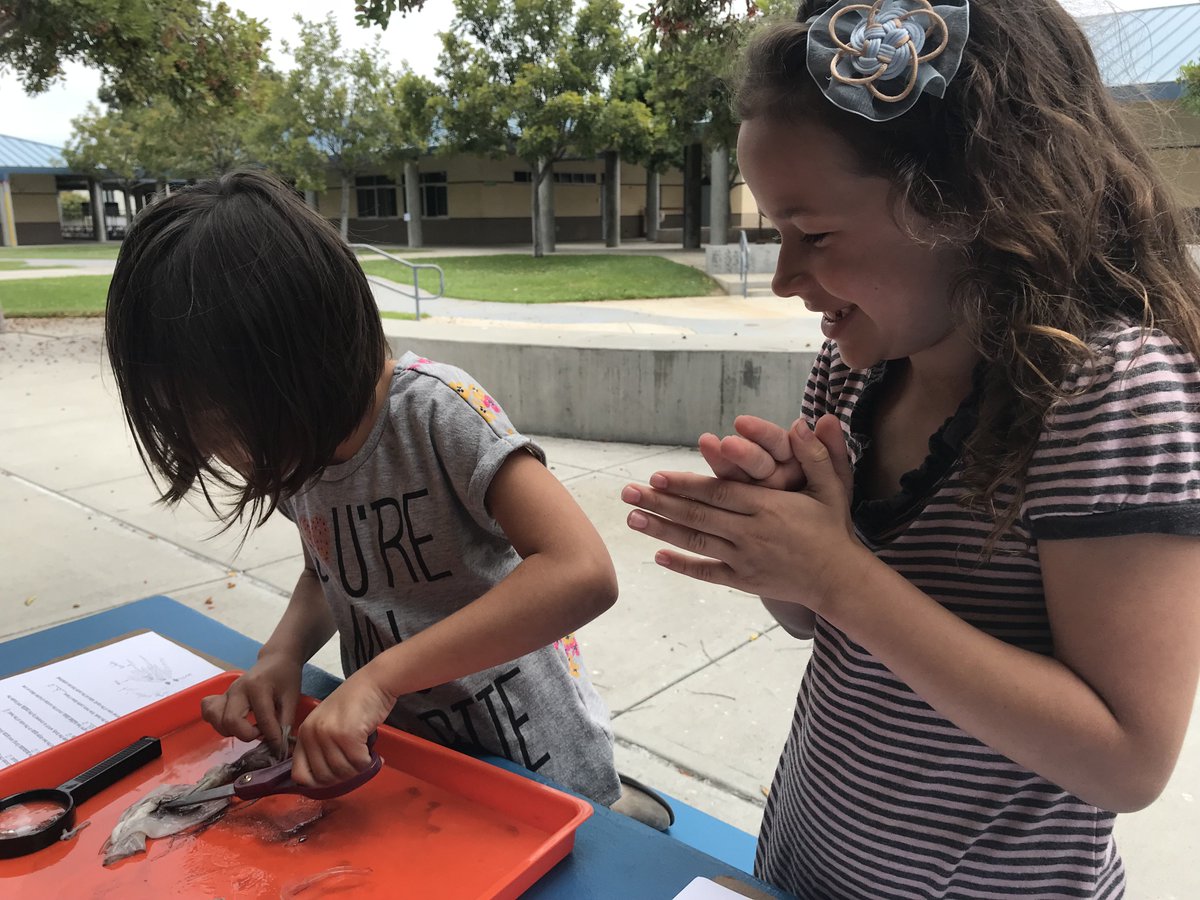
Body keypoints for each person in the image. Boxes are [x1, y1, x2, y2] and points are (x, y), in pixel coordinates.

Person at [622, 0, 1200, 895]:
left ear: (969, 203)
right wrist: (784, 553)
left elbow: (1128, 759)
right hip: (810, 862)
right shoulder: (857, 367)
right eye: (774, 234)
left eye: (812, 235)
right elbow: (825, 626)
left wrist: (838, 573)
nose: (783, 279)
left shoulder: (1106, 391)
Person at [104, 170, 671, 828]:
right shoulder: (301, 449)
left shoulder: (438, 413)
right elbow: (329, 568)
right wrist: (281, 655)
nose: (229, 456)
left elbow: (581, 572)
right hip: (411, 767)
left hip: (539, 772)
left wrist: (379, 678)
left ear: (295, 364)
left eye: (226, 426)